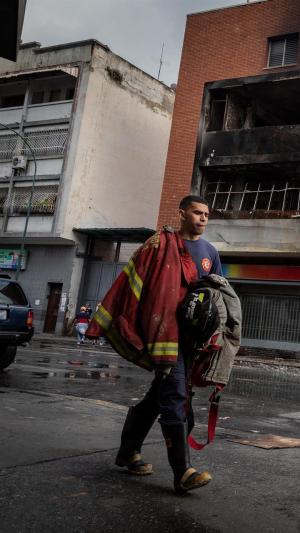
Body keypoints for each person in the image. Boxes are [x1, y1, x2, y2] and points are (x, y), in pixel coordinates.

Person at [90, 195, 221, 494]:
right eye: (197, 213)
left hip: (192, 341)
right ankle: (182, 473)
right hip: (164, 336)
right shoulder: (158, 245)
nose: (202, 218)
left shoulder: (210, 252)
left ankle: (127, 452)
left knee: (157, 398)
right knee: (175, 395)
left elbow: (217, 297)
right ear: (182, 214)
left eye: (206, 214)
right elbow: (135, 285)